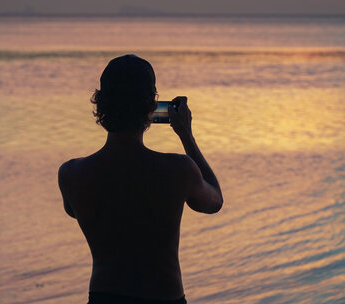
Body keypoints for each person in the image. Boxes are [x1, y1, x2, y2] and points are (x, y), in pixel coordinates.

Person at [58, 54, 223, 304]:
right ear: (151, 107)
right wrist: (186, 135)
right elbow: (214, 202)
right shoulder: (178, 170)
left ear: (101, 103)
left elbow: (75, 211)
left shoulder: (71, 174)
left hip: (104, 297)